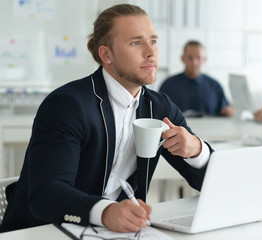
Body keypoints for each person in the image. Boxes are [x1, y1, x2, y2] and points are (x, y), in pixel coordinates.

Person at [0, 4, 213, 233]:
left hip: (114, 233)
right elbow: (46, 193)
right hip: (43, 231)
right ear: (106, 54)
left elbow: (210, 184)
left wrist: (197, 150)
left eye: (153, 41)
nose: (151, 52)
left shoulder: (161, 107)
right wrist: (105, 211)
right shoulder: (66, 105)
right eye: (136, 42)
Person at [159, 40, 235, 117]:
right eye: (190, 58)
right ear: (183, 58)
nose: (194, 62)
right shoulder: (168, 85)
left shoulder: (215, 86)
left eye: (198, 58)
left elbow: (225, 111)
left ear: (204, 59)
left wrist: (228, 111)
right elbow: (158, 113)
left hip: (210, 128)